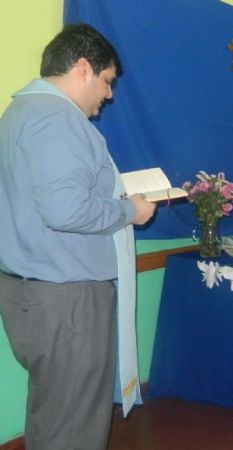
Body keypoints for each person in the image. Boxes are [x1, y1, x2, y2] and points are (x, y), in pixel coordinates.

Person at [0, 24, 156, 450]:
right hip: (66, 298)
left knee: (54, 414)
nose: (109, 95)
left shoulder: (20, 112)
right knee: (74, 426)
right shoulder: (57, 119)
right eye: (107, 82)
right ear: (83, 68)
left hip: (34, 290)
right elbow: (66, 209)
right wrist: (131, 211)